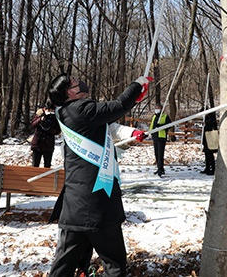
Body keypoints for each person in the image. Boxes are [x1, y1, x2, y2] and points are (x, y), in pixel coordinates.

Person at [47, 73, 150, 277]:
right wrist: (136, 85)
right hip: (97, 205)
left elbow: (108, 125)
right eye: (76, 82)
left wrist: (130, 130)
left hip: (74, 206)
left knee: (63, 266)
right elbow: (117, 106)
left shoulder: (67, 113)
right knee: (114, 264)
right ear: (71, 92)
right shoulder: (82, 109)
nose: (81, 82)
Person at [30, 101, 61, 168]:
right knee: (35, 165)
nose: (49, 112)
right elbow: (32, 125)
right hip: (38, 143)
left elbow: (58, 131)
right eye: (48, 110)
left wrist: (49, 129)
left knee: (47, 165)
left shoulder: (55, 117)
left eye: (51, 110)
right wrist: (40, 120)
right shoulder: (39, 114)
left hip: (48, 145)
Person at [149, 103, 174, 177]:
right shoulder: (154, 116)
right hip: (155, 136)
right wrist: (150, 132)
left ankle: (160, 169)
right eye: (155, 108)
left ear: (161, 109)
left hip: (161, 137)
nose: (156, 109)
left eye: (158, 108)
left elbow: (169, 125)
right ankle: (159, 168)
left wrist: (160, 126)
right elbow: (152, 126)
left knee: (160, 153)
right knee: (156, 153)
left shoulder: (165, 116)